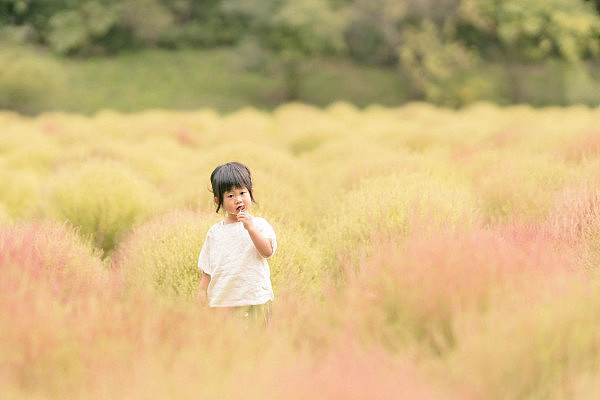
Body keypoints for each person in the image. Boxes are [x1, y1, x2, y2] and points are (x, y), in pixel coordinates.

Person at [197, 161, 277, 327]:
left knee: (258, 343)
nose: (238, 199)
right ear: (218, 201)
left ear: (251, 193)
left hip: (255, 299)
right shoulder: (215, 233)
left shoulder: (259, 225)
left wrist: (251, 228)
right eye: (230, 196)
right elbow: (207, 267)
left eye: (242, 192)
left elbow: (267, 251)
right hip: (223, 303)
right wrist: (202, 291)